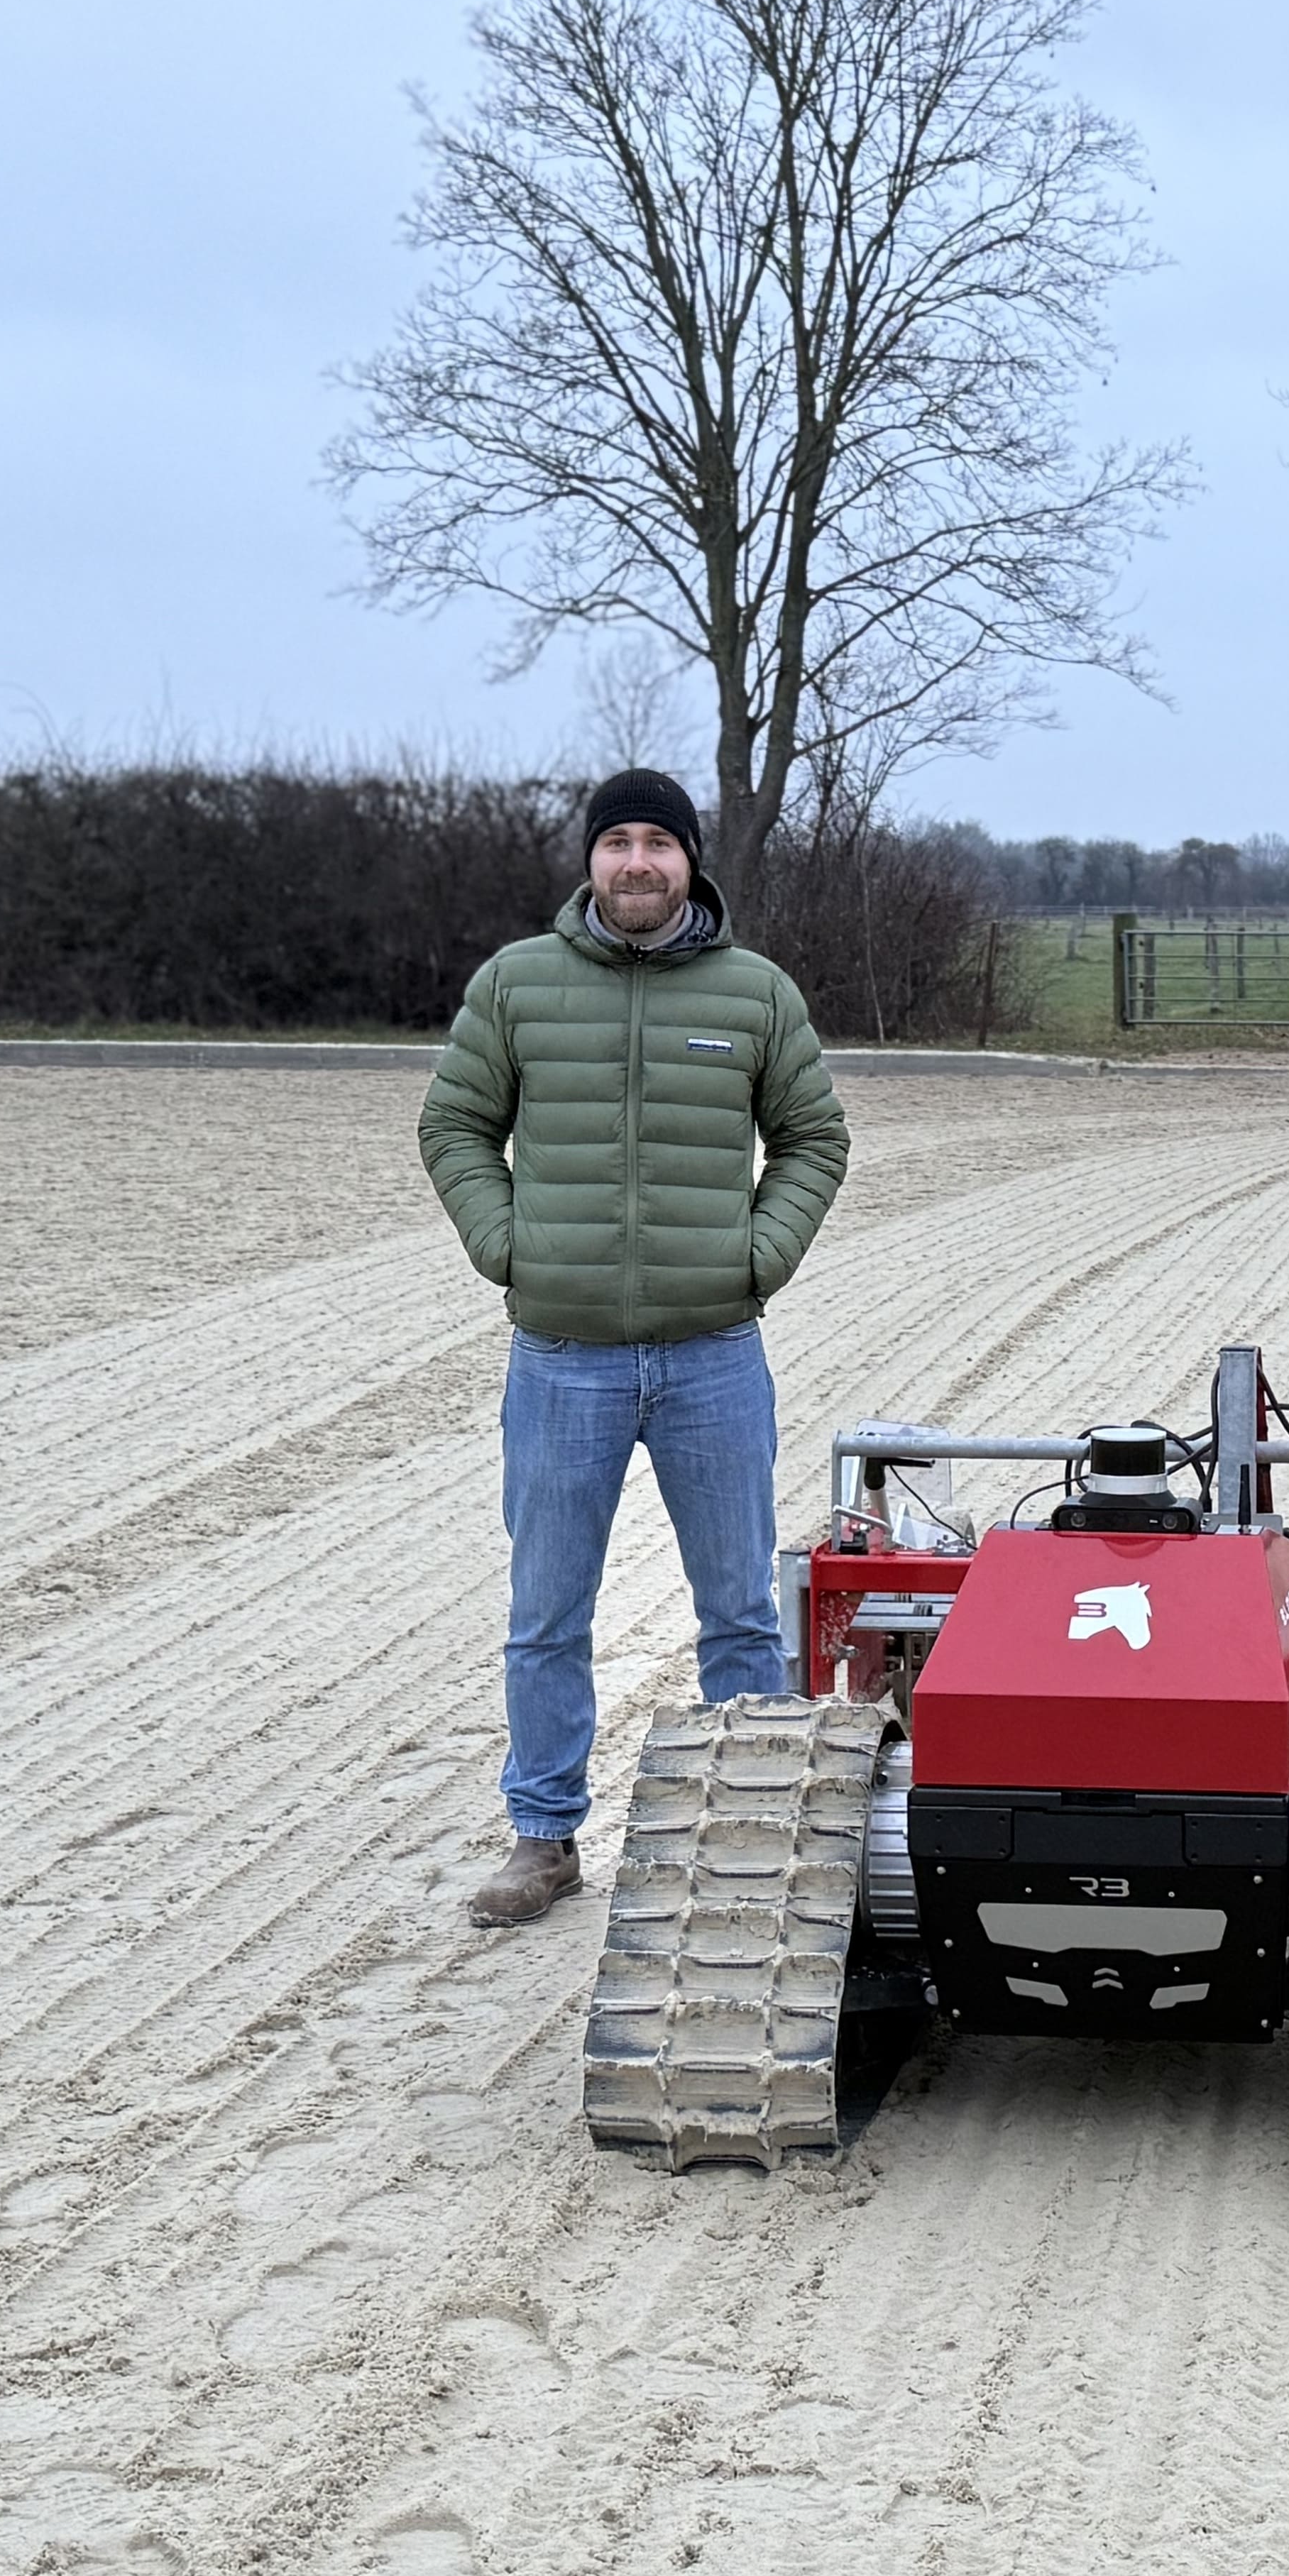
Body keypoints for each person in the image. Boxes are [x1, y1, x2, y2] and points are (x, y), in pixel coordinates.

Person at [420, 768, 850, 1928]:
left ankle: (747, 1826)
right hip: (563, 1358)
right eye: (619, 843)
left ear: (691, 861)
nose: (639, 863)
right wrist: (508, 1244)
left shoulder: (755, 993)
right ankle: (545, 1836)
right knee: (549, 1613)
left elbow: (814, 1138)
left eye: (661, 842)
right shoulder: (518, 985)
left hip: (714, 1354)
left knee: (741, 1614)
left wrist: (756, 1258)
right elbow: (453, 1123)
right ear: (591, 861)